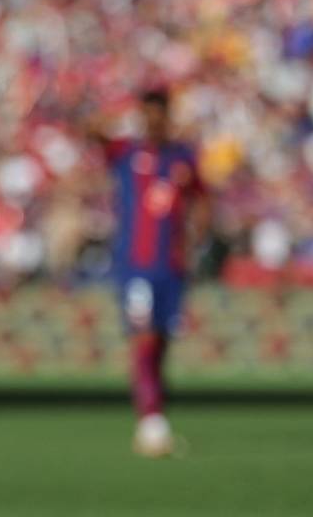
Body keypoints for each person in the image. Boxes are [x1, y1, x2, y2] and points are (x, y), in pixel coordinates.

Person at [90, 89, 209, 457]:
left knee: (160, 345)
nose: (152, 122)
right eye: (146, 115)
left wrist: (193, 243)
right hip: (134, 266)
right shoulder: (126, 153)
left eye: (159, 115)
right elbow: (91, 129)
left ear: (167, 116)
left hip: (171, 267)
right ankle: (151, 422)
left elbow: (203, 201)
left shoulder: (182, 158)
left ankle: (155, 416)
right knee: (142, 339)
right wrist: (119, 111)